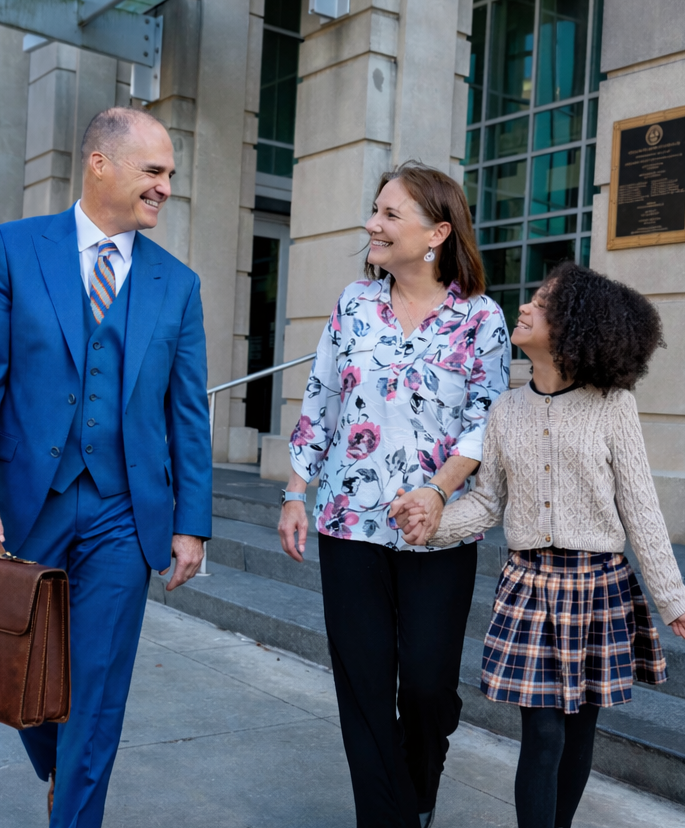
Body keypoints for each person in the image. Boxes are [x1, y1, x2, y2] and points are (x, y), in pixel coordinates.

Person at [0, 107, 212, 827]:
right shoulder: (11, 248)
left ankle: (76, 810)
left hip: (125, 513)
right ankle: (61, 760)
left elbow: (187, 414)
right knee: (12, 674)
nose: (165, 188)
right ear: (100, 163)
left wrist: (193, 523)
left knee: (94, 687)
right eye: (153, 172)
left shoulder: (177, 286)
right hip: (26, 502)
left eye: (170, 177)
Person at [392, 261, 685, 828]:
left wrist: (673, 599)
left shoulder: (613, 406)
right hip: (530, 587)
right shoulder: (505, 410)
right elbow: (489, 503)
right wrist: (431, 522)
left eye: (540, 302)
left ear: (572, 326)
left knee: (579, 729)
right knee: (541, 732)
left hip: (598, 586)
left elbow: (640, 507)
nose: (524, 307)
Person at [278, 162, 509, 827]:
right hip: (348, 523)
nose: (372, 225)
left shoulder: (480, 318)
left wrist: (438, 493)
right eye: (374, 211)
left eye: (388, 215)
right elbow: (321, 399)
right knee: (365, 688)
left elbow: (485, 421)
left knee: (431, 685)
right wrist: (297, 491)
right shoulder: (354, 303)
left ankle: (418, 783)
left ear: (437, 233)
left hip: (437, 532)